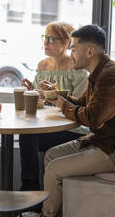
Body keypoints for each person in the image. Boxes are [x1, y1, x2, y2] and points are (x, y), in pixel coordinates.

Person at [33, 25, 115, 217]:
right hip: (102, 140)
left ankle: (47, 215)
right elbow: (82, 104)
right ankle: (58, 211)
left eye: (73, 48)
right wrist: (54, 96)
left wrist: (62, 104)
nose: (71, 54)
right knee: (51, 155)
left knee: (54, 169)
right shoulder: (99, 73)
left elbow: (92, 118)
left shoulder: (112, 75)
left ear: (89, 51)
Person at [19, 22, 89, 192]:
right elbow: (41, 103)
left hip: (73, 129)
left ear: (66, 42)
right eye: (45, 38)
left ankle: (32, 194)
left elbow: (78, 105)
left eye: (51, 39)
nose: (45, 43)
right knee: (26, 134)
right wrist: (32, 93)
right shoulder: (42, 66)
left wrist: (51, 95)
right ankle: (30, 190)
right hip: (48, 126)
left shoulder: (78, 69)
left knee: (30, 137)